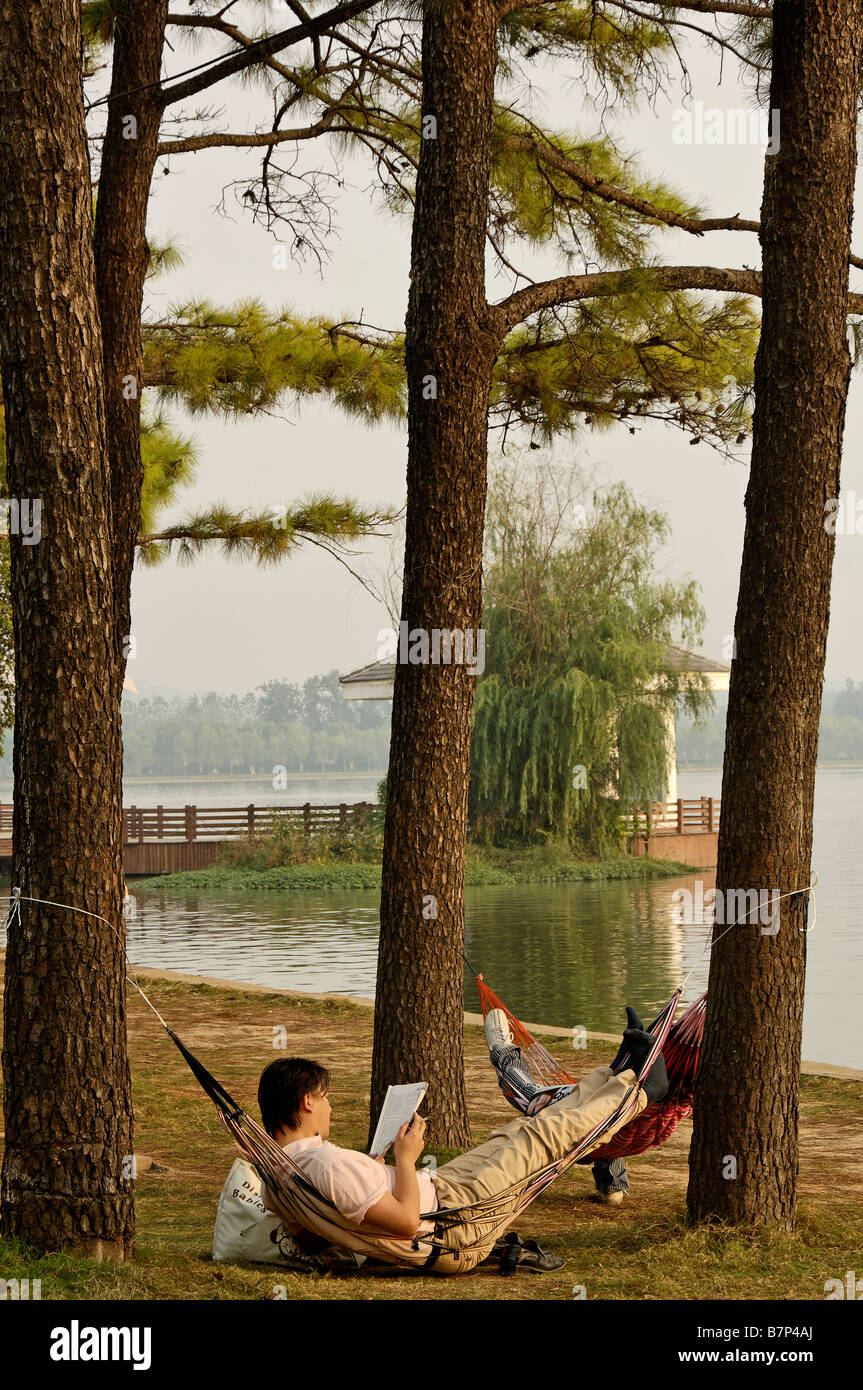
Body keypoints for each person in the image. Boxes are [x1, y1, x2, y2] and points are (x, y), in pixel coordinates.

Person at [255, 1007, 667, 1273]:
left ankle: (616, 1073)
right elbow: (406, 1225)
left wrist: (372, 1176)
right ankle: (641, 1091)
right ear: (307, 1102)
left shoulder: (281, 1173)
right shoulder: (325, 1166)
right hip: (455, 1224)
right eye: (325, 1098)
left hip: (444, 1194)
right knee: (545, 1140)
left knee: (523, 1129)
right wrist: (404, 1158)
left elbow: (313, 1234)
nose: (330, 1107)